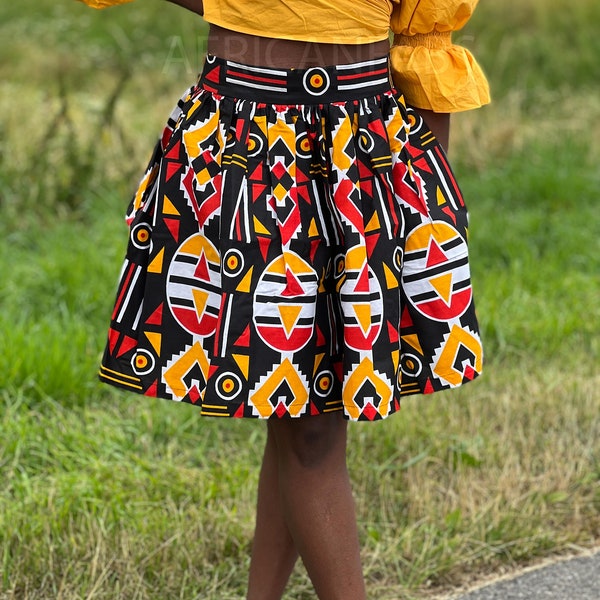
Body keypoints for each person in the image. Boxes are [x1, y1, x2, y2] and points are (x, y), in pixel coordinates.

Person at [78, 0, 490, 597]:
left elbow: (425, 31)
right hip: (248, 143)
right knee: (309, 428)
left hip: (365, 147)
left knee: (303, 417)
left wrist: (430, 186)